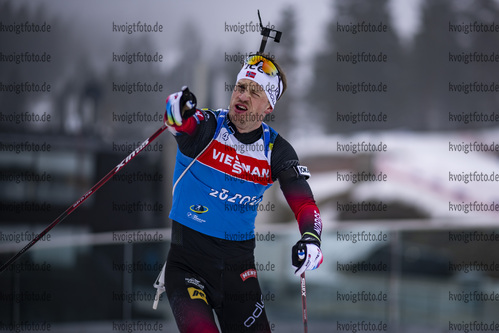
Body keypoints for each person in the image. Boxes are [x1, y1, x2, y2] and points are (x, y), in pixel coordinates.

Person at [158, 53, 323, 332]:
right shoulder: (208, 127)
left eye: (254, 91)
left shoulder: (276, 151)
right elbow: (180, 121)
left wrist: (312, 239)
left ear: (268, 105)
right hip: (188, 267)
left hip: (238, 272)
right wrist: (176, 108)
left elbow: (304, 202)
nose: (243, 96)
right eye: (240, 87)